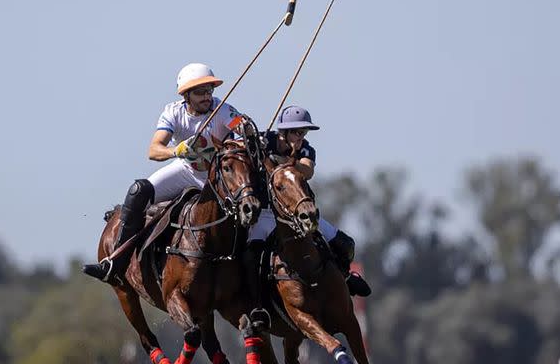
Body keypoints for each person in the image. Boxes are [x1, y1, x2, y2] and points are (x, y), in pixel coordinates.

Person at [83, 63, 243, 283]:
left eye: (209, 90)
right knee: (139, 191)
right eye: (200, 92)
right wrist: (175, 150)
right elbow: (154, 149)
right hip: (187, 171)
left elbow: (241, 128)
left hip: (220, 178)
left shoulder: (223, 110)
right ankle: (117, 263)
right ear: (186, 95)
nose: (207, 96)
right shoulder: (173, 112)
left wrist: (243, 131)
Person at [244, 105, 372, 319]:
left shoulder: (305, 150)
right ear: (283, 132)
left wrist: (280, 159)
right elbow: (241, 143)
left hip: (296, 214)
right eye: (296, 132)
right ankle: (255, 304)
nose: (300, 137)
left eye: (303, 133)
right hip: (265, 213)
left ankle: (346, 277)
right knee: (250, 255)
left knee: (345, 244)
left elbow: (307, 170)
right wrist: (253, 141)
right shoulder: (265, 141)